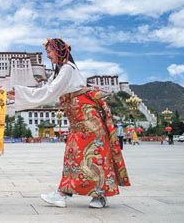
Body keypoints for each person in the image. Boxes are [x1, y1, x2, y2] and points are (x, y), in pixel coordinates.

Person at [9, 38, 130, 209]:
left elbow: (49, 92)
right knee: (72, 157)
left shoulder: (67, 69)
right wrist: (19, 93)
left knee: (95, 157)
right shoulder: (59, 72)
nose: (48, 56)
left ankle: (100, 196)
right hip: (77, 123)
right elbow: (45, 90)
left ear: (58, 52)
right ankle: (62, 194)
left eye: (50, 52)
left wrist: (21, 94)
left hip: (89, 120)